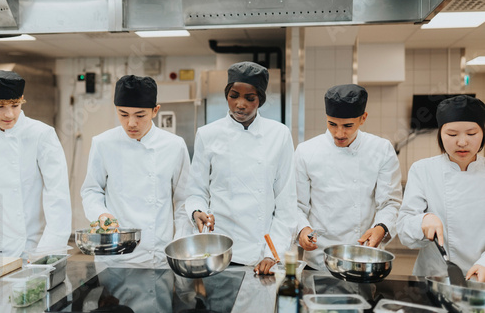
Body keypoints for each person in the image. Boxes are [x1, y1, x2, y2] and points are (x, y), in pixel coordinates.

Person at [184, 61, 297, 275]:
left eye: (250, 98)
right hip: (219, 252)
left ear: (261, 100)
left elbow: (286, 201)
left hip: (261, 254)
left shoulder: (279, 135)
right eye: (233, 95)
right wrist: (197, 211)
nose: (240, 104)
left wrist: (272, 253)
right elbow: (196, 190)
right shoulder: (207, 135)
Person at [81, 75, 190, 265]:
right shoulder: (103, 143)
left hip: (157, 256)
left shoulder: (174, 145)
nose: (131, 123)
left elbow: (183, 200)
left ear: (155, 111)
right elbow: (91, 190)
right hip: (114, 255)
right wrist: (101, 215)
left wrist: (179, 243)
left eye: (140, 115)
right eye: (123, 114)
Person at [295, 84, 402, 271]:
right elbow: (297, 204)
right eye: (332, 124)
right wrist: (302, 229)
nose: (339, 133)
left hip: (363, 255)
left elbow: (390, 203)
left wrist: (381, 227)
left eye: (348, 126)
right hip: (319, 257)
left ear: (363, 119)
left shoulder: (381, 150)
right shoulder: (306, 151)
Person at [397, 95, 485, 282]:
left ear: (483, 133)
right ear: (440, 134)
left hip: (480, 278)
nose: (462, 142)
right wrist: (423, 220)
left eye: (471, 134)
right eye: (452, 135)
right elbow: (404, 229)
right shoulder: (423, 170)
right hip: (433, 277)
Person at [0, 70, 71, 257]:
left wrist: (48, 252)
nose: (9, 114)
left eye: (15, 105)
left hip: (34, 246)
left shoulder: (41, 134)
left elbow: (58, 196)